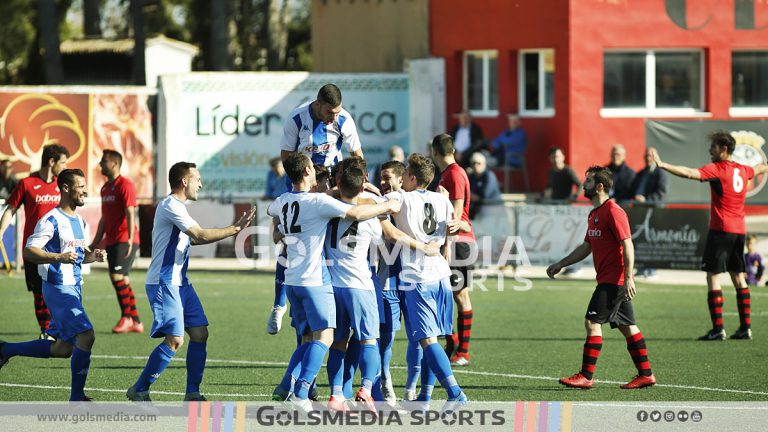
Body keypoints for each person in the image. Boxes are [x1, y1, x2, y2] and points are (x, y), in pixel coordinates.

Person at [268, 153, 398, 412]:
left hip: (312, 282)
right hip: (346, 282)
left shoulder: (291, 200)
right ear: (307, 171)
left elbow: (275, 224)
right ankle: (363, 389)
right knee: (363, 340)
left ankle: (330, 393)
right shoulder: (321, 203)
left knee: (317, 339)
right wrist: (386, 205)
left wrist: (282, 230)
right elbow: (360, 214)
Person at [126, 162, 255, 402]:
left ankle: (192, 392)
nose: (201, 184)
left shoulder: (179, 208)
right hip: (165, 282)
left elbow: (191, 241)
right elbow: (199, 234)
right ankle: (140, 389)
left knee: (199, 333)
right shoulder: (170, 205)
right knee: (175, 339)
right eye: (197, 179)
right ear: (184, 182)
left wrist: (230, 230)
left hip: (180, 282)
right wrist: (235, 228)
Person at [0, 169, 107, 401]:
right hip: (58, 288)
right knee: (87, 336)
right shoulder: (50, 219)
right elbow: (29, 251)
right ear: (66, 189)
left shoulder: (81, 221)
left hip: (75, 289)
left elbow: (77, 256)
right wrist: (57, 257)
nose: (85, 191)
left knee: (63, 349)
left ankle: (6, 349)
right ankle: (77, 397)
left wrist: (93, 256)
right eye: (80, 186)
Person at [546, 166, 657, 390]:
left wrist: (628, 278)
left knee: (592, 322)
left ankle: (586, 375)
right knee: (628, 327)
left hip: (613, 280)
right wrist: (561, 264)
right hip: (609, 279)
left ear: (599, 186)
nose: (583, 185)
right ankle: (646, 374)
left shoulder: (613, 211)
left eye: (587, 182)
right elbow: (586, 247)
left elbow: (628, 245)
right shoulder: (594, 213)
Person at [651, 131, 768, 340]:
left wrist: (662, 165)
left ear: (724, 149)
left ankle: (718, 329)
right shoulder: (743, 170)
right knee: (739, 277)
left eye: (713, 147)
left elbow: (689, 173)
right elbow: (760, 168)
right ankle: (745, 328)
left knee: (712, 276)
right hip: (739, 231)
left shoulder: (718, 169)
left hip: (721, 230)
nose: (710, 150)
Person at [268, 83, 365, 335]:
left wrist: (359, 181)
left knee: (330, 240)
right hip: (303, 183)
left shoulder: (344, 119)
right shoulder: (296, 119)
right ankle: (279, 304)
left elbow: (356, 153)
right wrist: (306, 183)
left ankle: (335, 289)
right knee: (289, 241)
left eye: (338, 112)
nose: (335, 117)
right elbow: (286, 155)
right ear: (318, 104)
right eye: (330, 112)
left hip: (331, 182)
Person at [385, 153, 468, 411]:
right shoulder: (442, 199)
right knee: (432, 338)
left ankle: (455, 393)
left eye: (404, 175)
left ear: (410, 177)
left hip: (417, 277)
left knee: (427, 341)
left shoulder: (400, 198)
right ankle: (424, 398)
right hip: (442, 276)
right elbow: (458, 224)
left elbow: (383, 213)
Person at [0, 144, 69, 339]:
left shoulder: (62, 184)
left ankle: (56, 327)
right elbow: (11, 209)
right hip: (34, 249)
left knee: (58, 290)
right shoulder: (27, 183)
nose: (65, 166)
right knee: (39, 293)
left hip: (58, 249)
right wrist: (1, 231)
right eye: (62, 162)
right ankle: (46, 331)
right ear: (51, 162)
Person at [431, 133, 476, 367]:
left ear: (434, 151)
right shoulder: (448, 173)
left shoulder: (455, 174)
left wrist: (447, 243)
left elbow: (456, 215)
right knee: (447, 294)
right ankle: (454, 342)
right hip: (454, 241)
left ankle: (463, 351)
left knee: (460, 294)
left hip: (459, 242)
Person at [89, 150, 143, 334]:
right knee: (123, 279)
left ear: (114, 164)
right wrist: (95, 241)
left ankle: (126, 318)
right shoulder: (105, 188)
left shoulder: (125, 185)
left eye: (104, 161)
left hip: (124, 239)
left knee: (117, 277)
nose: (100, 164)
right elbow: (104, 218)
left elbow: (130, 212)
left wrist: (129, 239)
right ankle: (136, 321)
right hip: (112, 240)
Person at [631, 147, 668, 278]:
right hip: (639, 213)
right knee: (640, 240)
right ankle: (641, 267)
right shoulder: (640, 173)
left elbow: (661, 193)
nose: (648, 157)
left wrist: (646, 200)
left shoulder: (661, 173)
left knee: (652, 240)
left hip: (654, 212)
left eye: (651, 155)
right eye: (646, 155)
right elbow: (632, 190)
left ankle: (651, 269)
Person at [467, 152, 502, 219]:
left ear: (484, 164)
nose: (476, 165)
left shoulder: (489, 176)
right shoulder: (471, 177)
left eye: (478, 163)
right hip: (478, 211)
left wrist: (471, 195)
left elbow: (484, 195)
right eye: (473, 163)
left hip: (493, 211)